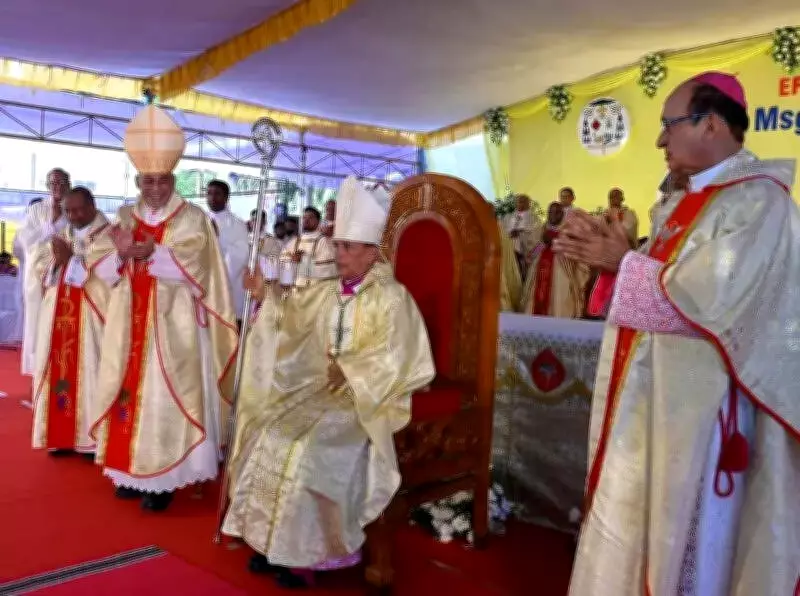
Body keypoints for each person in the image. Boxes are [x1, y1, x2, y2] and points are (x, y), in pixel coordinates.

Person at [554, 72, 800, 595]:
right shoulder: (683, 201)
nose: (660, 140)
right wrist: (612, 265)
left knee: (695, 540)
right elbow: (665, 291)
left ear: (711, 124)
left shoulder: (759, 203)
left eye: (668, 125)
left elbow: (710, 302)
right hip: (655, 401)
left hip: (705, 415)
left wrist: (626, 264)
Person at [221, 175, 435, 589]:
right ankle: (269, 543)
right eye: (337, 245)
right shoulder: (330, 290)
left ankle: (306, 554)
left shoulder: (391, 298)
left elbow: (403, 355)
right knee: (268, 429)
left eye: (348, 247)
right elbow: (294, 316)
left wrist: (353, 369)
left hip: (366, 399)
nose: (339, 254)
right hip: (322, 393)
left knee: (306, 448)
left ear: (373, 253)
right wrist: (265, 294)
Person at [89, 104, 238, 512]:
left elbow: (201, 268)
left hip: (173, 327)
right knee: (128, 389)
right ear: (139, 180)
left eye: (162, 181)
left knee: (165, 396)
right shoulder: (124, 214)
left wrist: (153, 252)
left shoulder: (192, 219)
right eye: (148, 181)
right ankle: (129, 470)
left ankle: (166, 479)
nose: (154, 188)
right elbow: (100, 266)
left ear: (174, 179)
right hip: (130, 322)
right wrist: (121, 255)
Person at [30, 187, 110, 458]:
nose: (74, 215)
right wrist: (55, 263)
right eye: (68, 211)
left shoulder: (108, 235)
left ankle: (90, 439)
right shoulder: (61, 235)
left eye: (79, 209)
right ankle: (61, 435)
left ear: (93, 205)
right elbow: (42, 270)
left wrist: (70, 262)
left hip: (91, 318)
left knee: (91, 371)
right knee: (58, 371)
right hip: (59, 317)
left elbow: (108, 276)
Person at [17, 171, 70, 376]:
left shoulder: (74, 208)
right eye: (53, 182)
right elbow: (25, 239)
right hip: (38, 275)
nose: (57, 186)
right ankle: (38, 369)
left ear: (68, 184)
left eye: (62, 182)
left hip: (65, 274)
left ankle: (61, 366)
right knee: (38, 321)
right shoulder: (37, 209)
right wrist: (51, 225)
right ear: (47, 185)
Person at [519, 202, 588, 318]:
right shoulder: (541, 228)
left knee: (559, 298)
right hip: (540, 267)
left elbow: (577, 252)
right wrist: (543, 243)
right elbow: (531, 252)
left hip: (561, 269)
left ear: (562, 214)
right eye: (550, 212)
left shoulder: (569, 231)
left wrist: (557, 242)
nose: (553, 215)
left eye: (557, 212)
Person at [206, 180, 249, 324]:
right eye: (209, 193)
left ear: (226, 197)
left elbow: (240, 255)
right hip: (202, 283)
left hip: (227, 284)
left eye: (217, 194)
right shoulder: (199, 220)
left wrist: (218, 237)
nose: (212, 197)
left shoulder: (237, 224)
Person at [279, 206, 337, 288]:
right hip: (294, 289)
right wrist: (291, 260)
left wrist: (302, 260)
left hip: (314, 290)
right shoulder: (295, 241)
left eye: (310, 217)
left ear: (318, 221)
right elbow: (282, 260)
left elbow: (328, 269)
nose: (306, 220)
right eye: (304, 217)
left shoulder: (323, 241)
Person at [503, 194, 540, 277]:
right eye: (519, 202)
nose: (521, 204)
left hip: (526, 250)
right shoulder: (508, 217)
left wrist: (520, 232)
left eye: (524, 202)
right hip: (510, 249)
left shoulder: (534, 218)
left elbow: (537, 234)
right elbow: (503, 231)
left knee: (526, 274)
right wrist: (509, 234)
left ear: (529, 203)